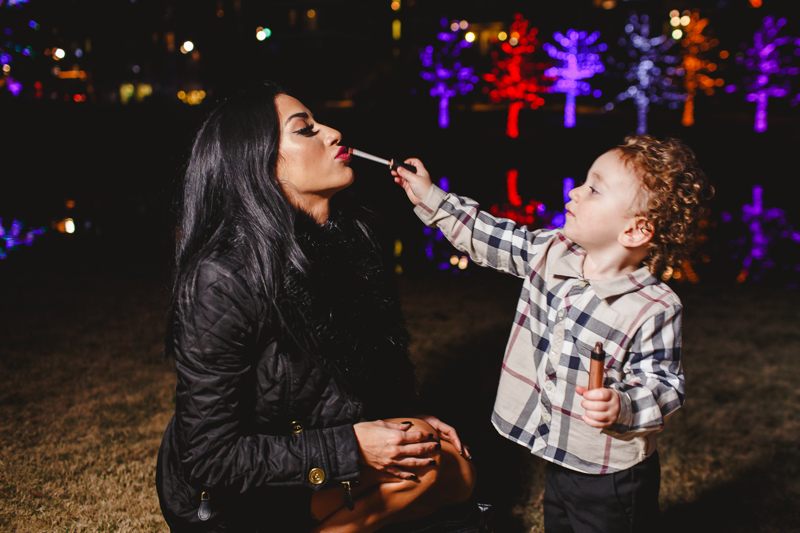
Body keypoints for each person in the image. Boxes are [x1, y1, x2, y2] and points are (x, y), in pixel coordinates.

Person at [156, 81, 476, 533]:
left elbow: (345, 383)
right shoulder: (224, 277)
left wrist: (404, 416)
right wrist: (353, 448)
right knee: (427, 471)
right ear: (260, 164)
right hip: (232, 498)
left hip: (309, 460)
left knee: (453, 469)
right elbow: (210, 458)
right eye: (305, 130)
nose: (332, 133)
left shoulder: (353, 242)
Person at [391, 135, 712, 533]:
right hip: (560, 452)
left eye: (594, 189)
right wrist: (431, 198)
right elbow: (487, 235)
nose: (575, 192)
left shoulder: (653, 307)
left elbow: (664, 384)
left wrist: (623, 404)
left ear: (634, 231)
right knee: (559, 519)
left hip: (611, 472)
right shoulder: (552, 251)